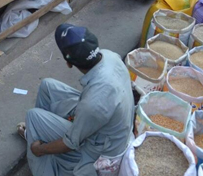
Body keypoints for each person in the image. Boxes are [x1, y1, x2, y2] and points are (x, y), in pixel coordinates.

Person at [16, 24, 134, 176]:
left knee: (33, 116)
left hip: (100, 151)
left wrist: (39, 149)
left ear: (69, 63)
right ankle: (38, 134)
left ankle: (41, 161)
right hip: (105, 118)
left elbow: (70, 144)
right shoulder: (109, 56)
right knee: (47, 86)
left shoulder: (93, 104)